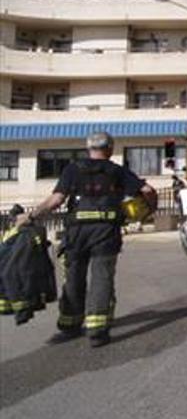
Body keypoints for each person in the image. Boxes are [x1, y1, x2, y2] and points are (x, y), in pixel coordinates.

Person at [15, 131, 157, 347]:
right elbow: (147, 189)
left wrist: (31, 216)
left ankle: (69, 323)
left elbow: (57, 200)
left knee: (73, 277)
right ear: (109, 148)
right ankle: (97, 330)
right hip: (106, 232)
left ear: (88, 148)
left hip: (76, 233)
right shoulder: (117, 171)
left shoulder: (73, 169)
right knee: (102, 277)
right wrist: (148, 209)